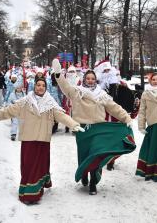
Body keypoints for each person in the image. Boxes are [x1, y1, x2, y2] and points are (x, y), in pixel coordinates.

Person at [0, 77, 83, 204]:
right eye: (38, 85)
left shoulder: (50, 103)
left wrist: (74, 124)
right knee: (28, 166)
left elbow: (61, 116)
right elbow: (8, 111)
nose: (40, 87)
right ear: (34, 86)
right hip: (29, 139)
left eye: (43, 85)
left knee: (40, 166)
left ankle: (34, 193)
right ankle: (27, 190)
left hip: (42, 140)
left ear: (46, 88)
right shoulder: (25, 102)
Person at [51, 59, 135, 195]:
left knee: (96, 155)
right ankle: (84, 174)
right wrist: (58, 73)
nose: (90, 80)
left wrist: (126, 118)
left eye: (92, 78)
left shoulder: (102, 95)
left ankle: (93, 183)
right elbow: (65, 86)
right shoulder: (76, 92)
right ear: (84, 79)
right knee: (84, 155)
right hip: (83, 129)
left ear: (96, 80)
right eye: (88, 78)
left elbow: (114, 108)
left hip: (98, 129)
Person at [95, 60, 139, 171]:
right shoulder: (96, 87)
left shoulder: (121, 86)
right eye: (104, 70)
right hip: (100, 116)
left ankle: (111, 160)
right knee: (102, 138)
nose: (107, 72)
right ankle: (102, 157)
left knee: (114, 139)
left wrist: (132, 106)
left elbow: (128, 100)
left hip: (115, 117)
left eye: (108, 70)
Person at [62, 65, 81, 133]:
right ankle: (67, 126)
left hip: (76, 97)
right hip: (67, 97)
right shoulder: (65, 79)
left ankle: (75, 127)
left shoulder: (78, 79)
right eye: (70, 71)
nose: (72, 73)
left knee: (75, 112)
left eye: (73, 71)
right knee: (67, 112)